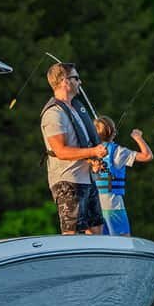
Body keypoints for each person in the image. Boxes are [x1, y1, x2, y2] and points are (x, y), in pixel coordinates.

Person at [40, 62, 108, 235]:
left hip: (87, 179)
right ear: (64, 81)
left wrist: (93, 160)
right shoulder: (53, 113)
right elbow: (61, 151)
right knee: (73, 235)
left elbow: (79, 145)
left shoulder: (76, 109)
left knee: (97, 231)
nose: (80, 82)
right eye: (76, 78)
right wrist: (93, 151)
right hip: (68, 182)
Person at [93, 115, 153, 236]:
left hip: (94, 206)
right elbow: (147, 156)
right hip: (113, 205)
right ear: (113, 132)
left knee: (100, 242)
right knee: (122, 239)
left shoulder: (89, 151)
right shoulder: (118, 152)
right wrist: (138, 137)